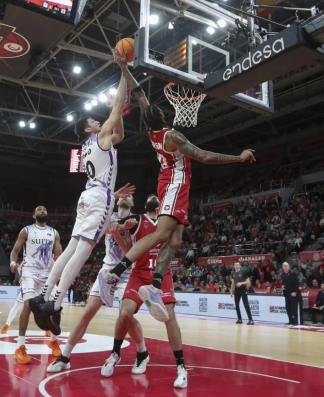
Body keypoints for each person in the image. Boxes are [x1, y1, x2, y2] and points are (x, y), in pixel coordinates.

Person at [99, 58, 255, 322]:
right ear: (161, 116)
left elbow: (139, 95)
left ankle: (155, 285)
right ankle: (114, 275)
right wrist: (237, 158)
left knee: (176, 240)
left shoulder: (153, 131)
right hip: (174, 183)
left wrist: (125, 70)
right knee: (161, 234)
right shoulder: (173, 136)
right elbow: (203, 156)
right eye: (160, 110)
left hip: (175, 183)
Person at [30, 60, 131, 333]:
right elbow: (119, 105)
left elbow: (119, 131)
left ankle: (45, 294)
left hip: (87, 196)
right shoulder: (99, 138)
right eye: (93, 121)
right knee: (83, 251)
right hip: (98, 197)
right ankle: (56, 303)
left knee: (73, 247)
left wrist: (116, 113)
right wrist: (123, 73)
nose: (98, 120)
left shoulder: (91, 144)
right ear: (89, 129)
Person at [46, 195, 144, 374]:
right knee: (87, 312)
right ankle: (65, 357)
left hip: (128, 272)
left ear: (133, 203)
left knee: (126, 315)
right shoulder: (108, 216)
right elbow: (94, 230)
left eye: (130, 196)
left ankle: (142, 352)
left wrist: (116, 232)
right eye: (124, 194)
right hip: (107, 270)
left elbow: (130, 252)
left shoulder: (135, 221)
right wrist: (111, 227)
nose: (126, 197)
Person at [100, 196, 188, 389]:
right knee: (124, 313)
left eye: (156, 196)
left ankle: (181, 367)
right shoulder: (138, 220)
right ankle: (115, 354)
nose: (152, 197)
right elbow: (113, 226)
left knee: (170, 317)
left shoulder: (170, 222)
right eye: (149, 197)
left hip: (161, 274)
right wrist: (115, 226)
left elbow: (177, 241)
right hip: (139, 273)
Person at [6, 205, 63, 364]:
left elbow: (60, 254)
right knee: (28, 305)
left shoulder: (54, 233)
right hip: (29, 271)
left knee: (55, 306)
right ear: (34, 215)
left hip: (47, 273)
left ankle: (53, 340)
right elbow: (15, 250)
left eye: (45, 210)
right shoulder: (26, 230)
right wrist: (12, 261)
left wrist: (61, 265)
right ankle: (20, 347)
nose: (43, 211)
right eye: (39, 210)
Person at [280, 261, 301, 326]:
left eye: (286, 266)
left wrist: (295, 292)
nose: (285, 267)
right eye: (284, 266)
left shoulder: (292, 273)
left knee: (294, 308)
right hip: (287, 294)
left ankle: (295, 321)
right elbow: (283, 283)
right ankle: (290, 321)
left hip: (293, 294)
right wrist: (282, 287)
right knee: (288, 308)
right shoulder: (283, 275)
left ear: (289, 266)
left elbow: (297, 284)